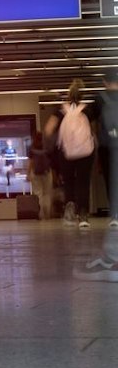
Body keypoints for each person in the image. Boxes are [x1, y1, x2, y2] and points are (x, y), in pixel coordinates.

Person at [75, 67, 118, 280]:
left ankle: (110, 257)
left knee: (113, 184)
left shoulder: (100, 99)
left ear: (104, 81)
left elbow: (84, 114)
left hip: (108, 148)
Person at [54, 78, 100, 230]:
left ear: (68, 95)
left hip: (66, 153)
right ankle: (83, 215)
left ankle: (69, 212)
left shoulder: (61, 111)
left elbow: (48, 130)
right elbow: (93, 132)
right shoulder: (88, 110)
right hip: (86, 152)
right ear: (82, 95)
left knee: (69, 182)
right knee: (83, 182)